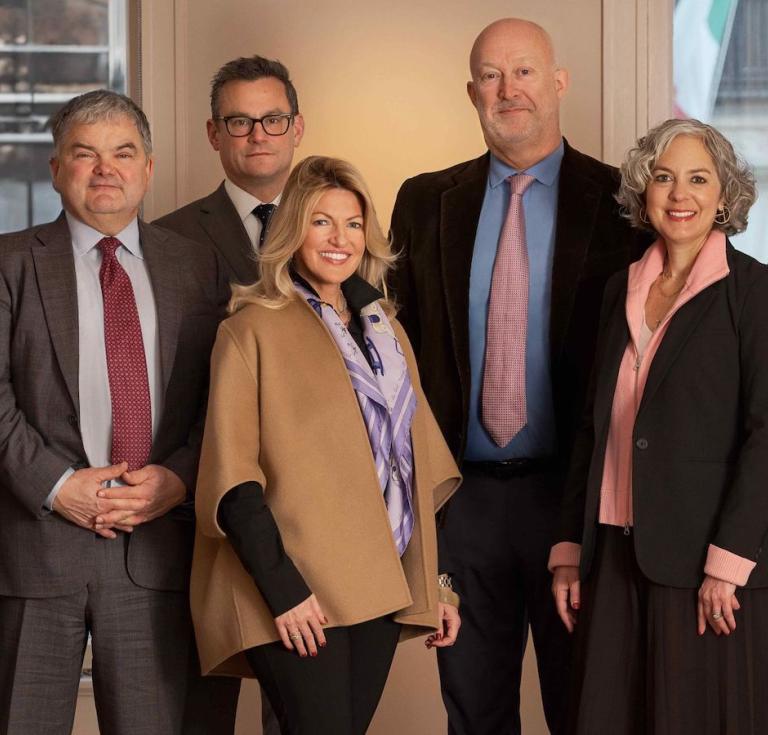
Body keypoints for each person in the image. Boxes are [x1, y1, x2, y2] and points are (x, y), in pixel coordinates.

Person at [389, 17, 649, 734]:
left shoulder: (625, 205)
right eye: (492, 75)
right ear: (471, 91)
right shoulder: (423, 201)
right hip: (461, 503)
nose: (509, 90)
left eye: (525, 71)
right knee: (473, 711)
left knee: (586, 707)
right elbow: (394, 356)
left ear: (558, 82)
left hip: (576, 501)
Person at [190, 155, 462, 735]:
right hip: (296, 588)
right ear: (292, 229)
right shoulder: (250, 329)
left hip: (377, 581)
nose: (340, 239)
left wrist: (437, 583)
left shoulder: (386, 333)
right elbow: (232, 480)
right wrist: (285, 592)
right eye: (321, 222)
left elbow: (416, 473)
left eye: (353, 224)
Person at [0, 90, 228, 734]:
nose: (106, 169)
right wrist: (55, 485)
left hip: (155, 551)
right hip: (34, 548)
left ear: (147, 169)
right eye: (85, 153)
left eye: (123, 153)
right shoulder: (9, 263)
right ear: (55, 168)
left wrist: (178, 478)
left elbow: (222, 401)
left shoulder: (196, 268)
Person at [550, 118, 768, 734]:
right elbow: (594, 428)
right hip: (613, 553)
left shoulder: (753, 293)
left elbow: (766, 435)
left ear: (724, 196)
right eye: (664, 178)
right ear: (643, 193)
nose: (680, 195)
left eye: (699, 179)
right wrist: (569, 549)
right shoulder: (619, 288)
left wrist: (727, 565)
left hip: (707, 567)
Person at [154, 55, 304, 284]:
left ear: (297, 130)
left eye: (273, 120)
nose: (259, 136)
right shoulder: (167, 237)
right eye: (240, 122)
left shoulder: (339, 227)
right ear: (214, 134)